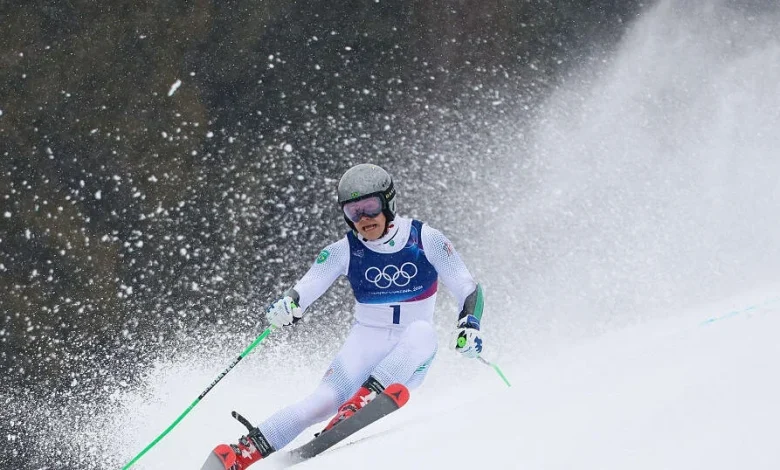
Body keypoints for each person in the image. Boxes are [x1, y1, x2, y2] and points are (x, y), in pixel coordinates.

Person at [226, 163, 484, 468]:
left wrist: (470, 324)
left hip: (408, 357)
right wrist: (288, 306)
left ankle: (365, 400)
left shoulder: (425, 238)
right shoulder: (342, 251)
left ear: (388, 203)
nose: (364, 218)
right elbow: (306, 288)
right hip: (365, 343)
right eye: (353, 212)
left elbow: (467, 287)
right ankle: (245, 452)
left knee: (422, 332)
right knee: (320, 402)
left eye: (371, 207)